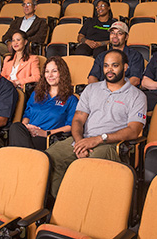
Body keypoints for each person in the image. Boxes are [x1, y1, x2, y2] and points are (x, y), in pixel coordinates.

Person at [45, 49, 147, 197]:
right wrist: (80, 142)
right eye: (106, 66)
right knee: (49, 157)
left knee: (88, 166)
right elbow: (78, 119)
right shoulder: (91, 89)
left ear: (125, 67)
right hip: (83, 139)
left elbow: (133, 130)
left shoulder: (137, 96)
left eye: (114, 65)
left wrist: (99, 139)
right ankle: (64, 203)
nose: (109, 70)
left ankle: (85, 207)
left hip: (111, 144)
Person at [8, 56, 78, 151]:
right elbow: (27, 115)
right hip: (28, 134)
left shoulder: (71, 99)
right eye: (47, 71)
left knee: (17, 147)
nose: (50, 75)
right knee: (16, 127)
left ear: (62, 73)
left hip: (48, 138)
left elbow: (71, 126)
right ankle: (32, 161)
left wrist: (46, 133)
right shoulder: (36, 93)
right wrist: (26, 127)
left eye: (54, 71)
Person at [88, 21, 144, 87]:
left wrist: (116, 90)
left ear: (126, 37)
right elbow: (92, 78)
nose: (115, 36)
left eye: (119, 33)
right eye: (112, 33)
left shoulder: (135, 56)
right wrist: (100, 91)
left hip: (125, 93)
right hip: (103, 92)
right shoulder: (101, 56)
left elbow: (135, 80)